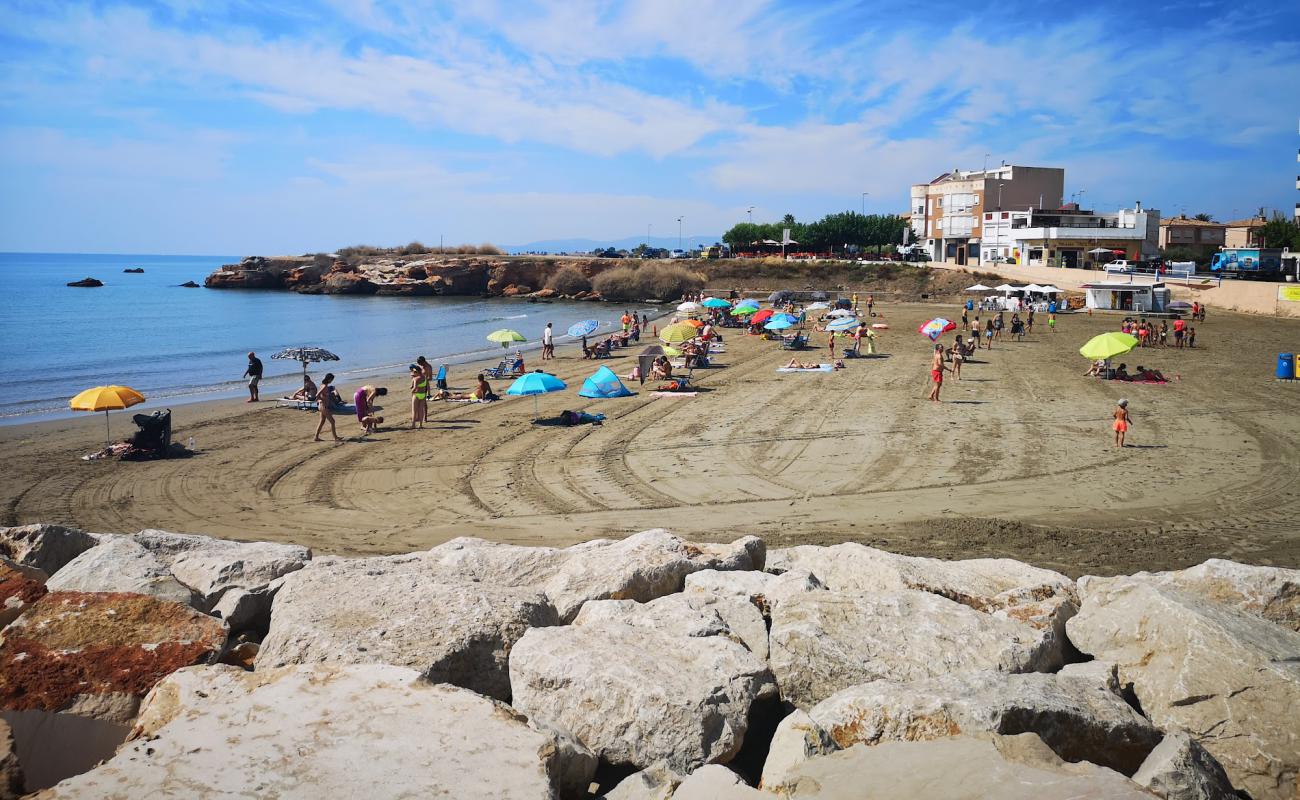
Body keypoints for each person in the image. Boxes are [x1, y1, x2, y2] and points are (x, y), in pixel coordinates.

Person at [313, 373, 342, 442]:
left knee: (322, 421)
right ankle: (335, 437)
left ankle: (316, 437)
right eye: (332, 379)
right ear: (329, 379)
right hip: (323, 406)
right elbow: (317, 395)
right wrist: (321, 400)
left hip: (322, 406)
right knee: (332, 421)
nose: (332, 381)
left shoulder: (322, 385)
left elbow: (320, 395)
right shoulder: (324, 386)